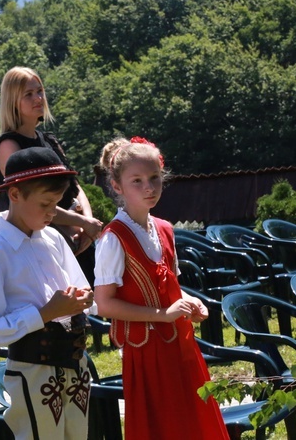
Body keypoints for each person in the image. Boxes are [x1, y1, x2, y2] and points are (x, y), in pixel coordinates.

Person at [93, 137, 228, 440]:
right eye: (137, 181)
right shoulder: (113, 238)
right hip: (146, 352)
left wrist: (191, 301)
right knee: (163, 427)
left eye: (154, 178)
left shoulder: (165, 229)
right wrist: (161, 314)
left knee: (193, 423)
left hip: (180, 344)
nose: (149, 188)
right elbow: (104, 304)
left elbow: (171, 288)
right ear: (117, 186)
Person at [0, 147, 94, 439]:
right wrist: (43, 314)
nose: (53, 213)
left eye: (56, 204)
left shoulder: (52, 237)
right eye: (45, 204)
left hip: (75, 366)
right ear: (14, 194)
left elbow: (82, 292)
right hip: (32, 372)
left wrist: (84, 299)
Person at [0, 66, 102, 285]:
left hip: (76, 239)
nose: (38, 98)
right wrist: (82, 221)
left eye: (39, 91)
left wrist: (87, 225)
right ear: (13, 101)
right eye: (29, 94)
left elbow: (75, 187)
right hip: (41, 245)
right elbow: (32, 202)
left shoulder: (49, 141)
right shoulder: (8, 146)